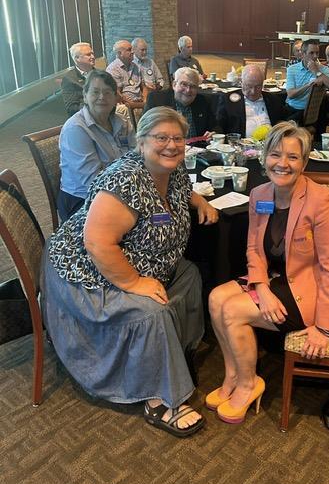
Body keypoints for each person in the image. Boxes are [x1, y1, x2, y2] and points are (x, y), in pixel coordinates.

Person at [42, 107, 219, 437]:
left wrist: (201, 203)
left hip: (138, 261)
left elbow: (183, 190)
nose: (171, 145)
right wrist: (133, 282)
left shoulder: (172, 169)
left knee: (190, 274)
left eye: (178, 138)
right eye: (161, 137)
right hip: (87, 272)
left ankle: (176, 351)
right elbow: (97, 243)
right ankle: (159, 398)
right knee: (151, 312)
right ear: (141, 142)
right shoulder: (124, 180)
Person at [207, 121, 329, 424]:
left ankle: (249, 384)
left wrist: (324, 328)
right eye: (275, 154)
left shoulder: (322, 201)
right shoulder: (260, 194)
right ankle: (233, 375)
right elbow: (254, 248)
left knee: (232, 312)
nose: (283, 163)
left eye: (293, 157)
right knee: (215, 298)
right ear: (264, 157)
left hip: (311, 286)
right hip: (276, 279)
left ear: (304, 163)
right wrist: (261, 288)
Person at [57, 70, 136, 221]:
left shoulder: (122, 122)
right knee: (141, 224)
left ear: (115, 98)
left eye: (107, 92)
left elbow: (137, 158)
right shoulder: (76, 129)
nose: (102, 97)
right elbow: (92, 182)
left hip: (121, 191)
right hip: (83, 201)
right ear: (85, 96)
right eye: (95, 92)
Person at [216, 64, 289, 137]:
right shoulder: (228, 100)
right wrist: (215, 132)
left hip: (270, 142)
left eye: (258, 86)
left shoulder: (272, 99)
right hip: (240, 143)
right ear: (241, 83)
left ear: (262, 84)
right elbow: (219, 125)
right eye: (249, 86)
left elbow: (285, 119)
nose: (253, 91)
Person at [144, 67, 216, 139]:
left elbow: (215, 127)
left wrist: (213, 133)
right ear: (174, 85)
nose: (188, 90)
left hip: (197, 145)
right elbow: (144, 129)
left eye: (193, 86)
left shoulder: (203, 101)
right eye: (184, 84)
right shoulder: (156, 100)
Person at [285, 39, 329, 134]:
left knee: (286, 127)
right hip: (293, 109)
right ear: (303, 54)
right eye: (311, 53)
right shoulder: (292, 69)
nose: (315, 56)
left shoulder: (323, 69)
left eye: (317, 53)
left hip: (311, 112)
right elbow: (290, 94)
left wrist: (317, 72)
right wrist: (308, 85)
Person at [106, 40, 146, 110]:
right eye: (129, 50)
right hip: (126, 105)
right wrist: (135, 104)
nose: (133, 52)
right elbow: (117, 94)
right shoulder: (112, 69)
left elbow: (144, 87)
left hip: (140, 102)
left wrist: (145, 100)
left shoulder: (135, 66)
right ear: (120, 53)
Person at [61, 42, 96, 117]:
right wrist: (96, 106)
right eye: (88, 55)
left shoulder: (100, 74)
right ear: (77, 58)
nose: (93, 57)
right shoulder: (69, 79)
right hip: (85, 117)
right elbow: (72, 108)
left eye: (92, 53)